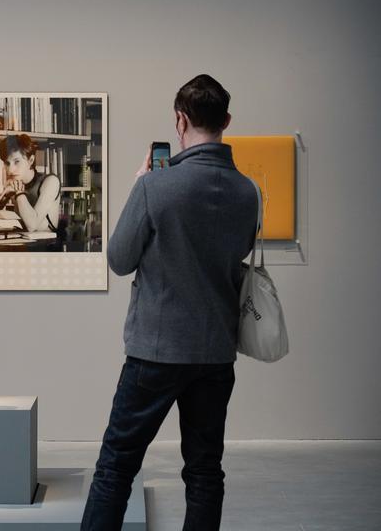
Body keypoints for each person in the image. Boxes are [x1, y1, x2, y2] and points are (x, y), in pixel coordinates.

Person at [81, 75, 259, 530]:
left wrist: (140, 186)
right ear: (226, 122)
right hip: (216, 353)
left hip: (155, 354)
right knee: (204, 471)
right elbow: (234, 255)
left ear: (180, 120)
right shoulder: (248, 193)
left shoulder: (155, 187)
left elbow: (119, 259)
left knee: (117, 465)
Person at [0, 134, 61, 232]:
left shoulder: (50, 181)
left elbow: (32, 225)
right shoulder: (14, 183)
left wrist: (19, 193)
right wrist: (3, 194)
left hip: (47, 244)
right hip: (22, 242)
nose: (10, 170)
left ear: (31, 160)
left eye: (17, 161)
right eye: (7, 163)